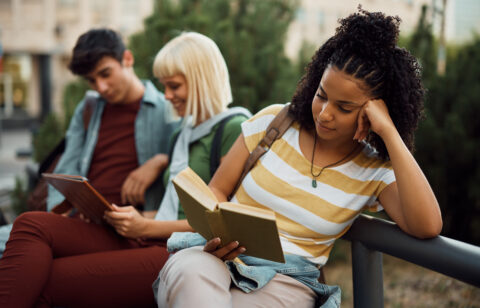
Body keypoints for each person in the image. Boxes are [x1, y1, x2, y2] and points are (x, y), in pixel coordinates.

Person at [155, 9, 443, 308]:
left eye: (344, 108)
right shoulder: (275, 120)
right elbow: (217, 189)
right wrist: (217, 235)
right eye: (322, 95)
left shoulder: (373, 171)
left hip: (286, 281)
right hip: (215, 257)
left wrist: (389, 133)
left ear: (374, 112)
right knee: (190, 279)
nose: (325, 113)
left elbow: (427, 226)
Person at [0, 31, 250, 308]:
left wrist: (146, 224)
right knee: (29, 224)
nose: (167, 95)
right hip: (149, 234)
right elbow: (173, 206)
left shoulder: (234, 129)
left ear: (202, 82)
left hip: (185, 250)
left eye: (174, 86)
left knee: (48, 280)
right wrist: (133, 216)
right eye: (163, 86)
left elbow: (224, 224)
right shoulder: (181, 134)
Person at [0, 28, 179, 256]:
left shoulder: (168, 108)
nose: (100, 87)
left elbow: (188, 164)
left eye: (106, 74)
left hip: (129, 229)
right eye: (92, 80)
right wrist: (62, 210)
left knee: (21, 234)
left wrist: (160, 161)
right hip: (80, 220)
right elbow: (67, 168)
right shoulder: (89, 107)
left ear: (127, 59)